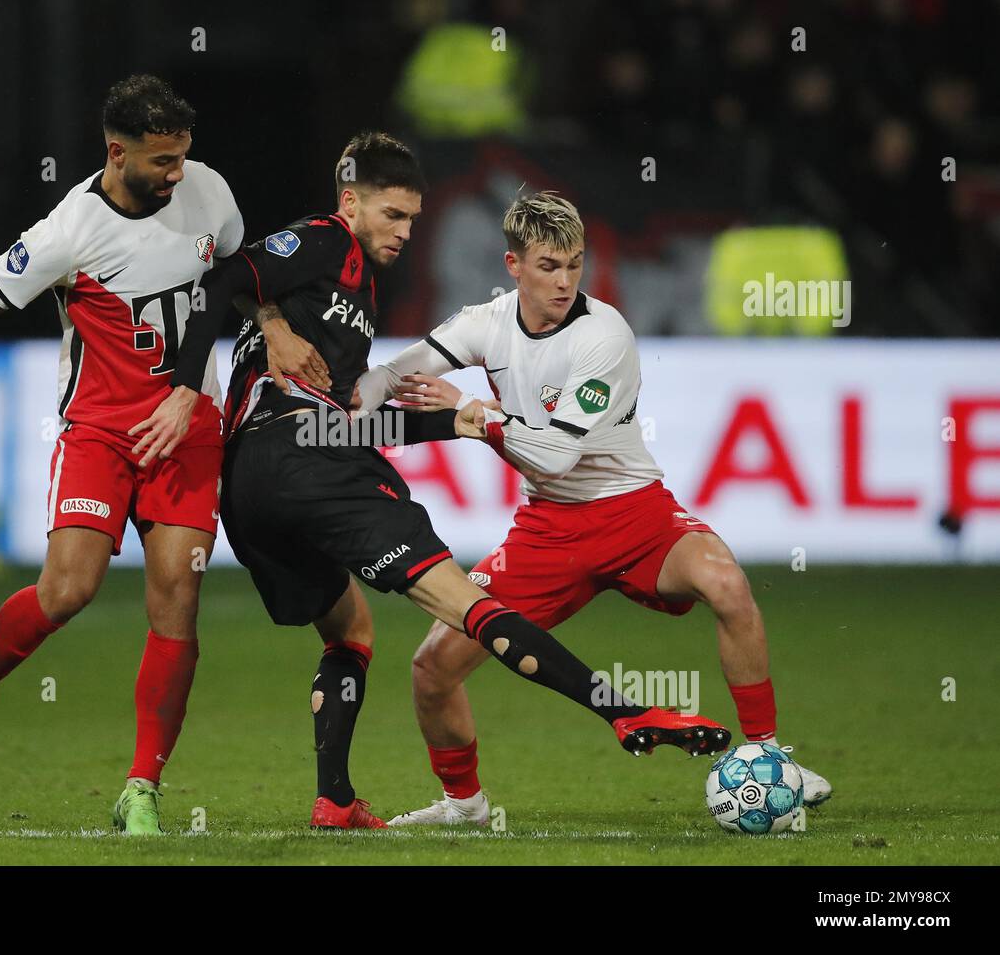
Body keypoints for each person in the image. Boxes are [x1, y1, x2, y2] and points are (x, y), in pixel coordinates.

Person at [133, 137, 729, 830]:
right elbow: (223, 279)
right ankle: (623, 712)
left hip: (255, 487)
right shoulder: (326, 242)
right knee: (467, 604)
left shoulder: (351, 290)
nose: (405, 233)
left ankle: (335, 800)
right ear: (350, 201)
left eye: (413, 219)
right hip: (307, 460)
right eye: (392, 215)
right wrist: (186, 386)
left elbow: (345, 423)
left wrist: (459, 422)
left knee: (350, 628)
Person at [0, 74, 323, 836]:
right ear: (117, 154)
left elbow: (237, 276)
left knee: (177, 599)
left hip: (188, 430)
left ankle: (142, 787)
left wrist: (274, 322)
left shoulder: (209, 191)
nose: (177, 174)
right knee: (68, 591)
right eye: (161, 162)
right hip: (99, 435)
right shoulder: (67, 233)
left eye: (183, 157)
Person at [352, 191, 832, 827]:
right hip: (548, 531)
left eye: (574, 264)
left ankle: (771, 758)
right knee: (433, 667)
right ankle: (463, 806)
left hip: (636, 515)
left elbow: (553, 457)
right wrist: (333, 397)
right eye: (549, 265)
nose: (564, 280)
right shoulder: (485, 323)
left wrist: (472, 414)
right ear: (513, 265)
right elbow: (388, 377)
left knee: (727, 583)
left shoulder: (605, 335)